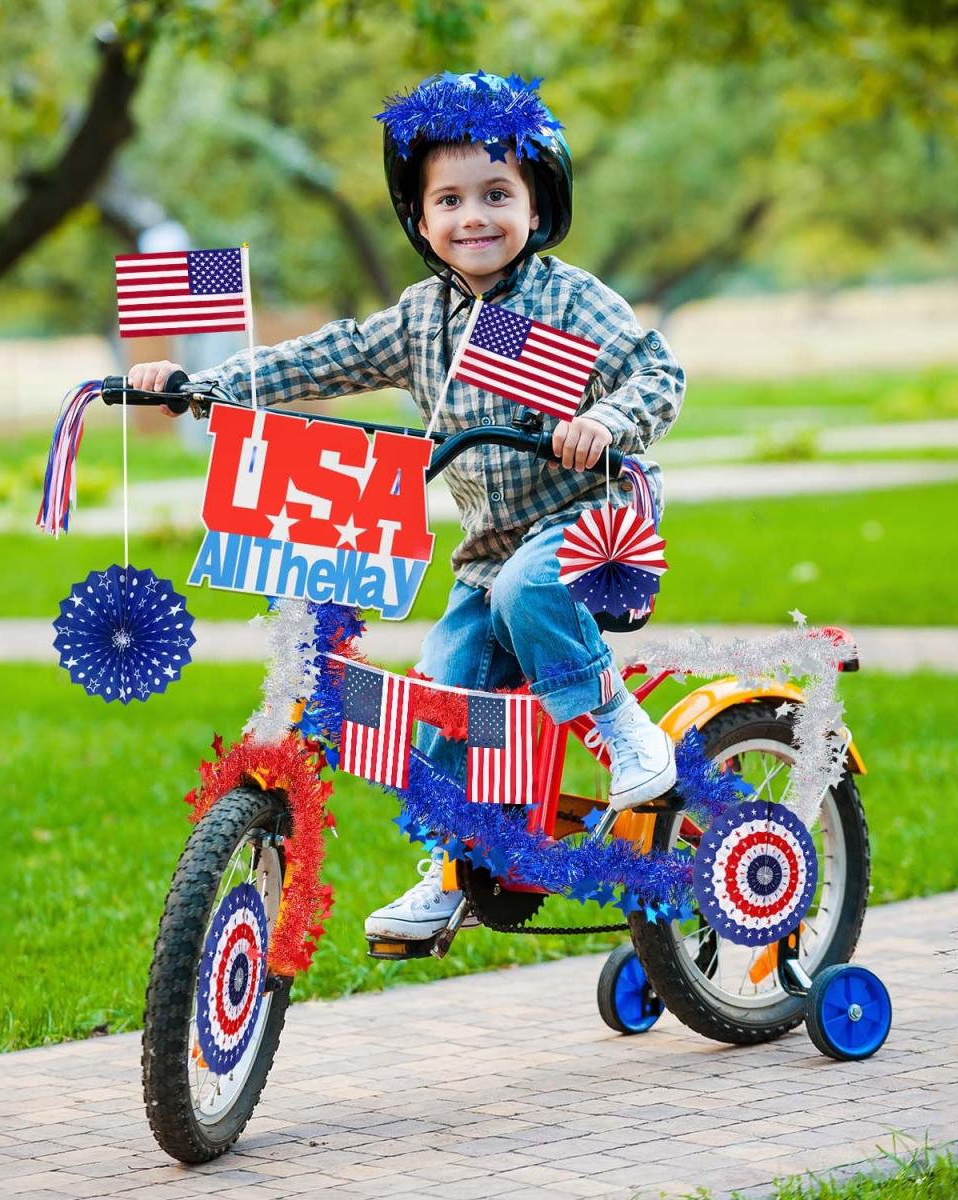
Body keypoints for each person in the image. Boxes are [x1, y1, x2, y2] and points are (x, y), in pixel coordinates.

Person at [128, 71, 685, 943]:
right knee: (444, 692)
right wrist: (207, 386)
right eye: (451, 199)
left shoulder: (572, 299)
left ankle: (621, 729)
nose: (475, 216)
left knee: (527, 595)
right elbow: (325, 360)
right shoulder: (420, 318)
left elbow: (660, 371)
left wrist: (607, 420)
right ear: (421, 220)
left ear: (536, 207)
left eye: (498, 194)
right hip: (490, 551)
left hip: (592, 523)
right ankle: (457, 865)